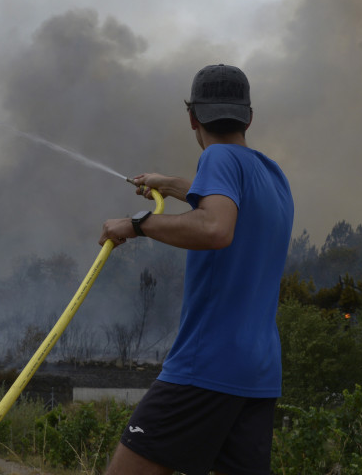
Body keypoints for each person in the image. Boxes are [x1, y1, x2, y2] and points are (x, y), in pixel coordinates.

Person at [99, 63, 294, 475]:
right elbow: (223, 202)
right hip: (258, 374)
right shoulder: (272, 176)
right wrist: (167, 184)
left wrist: (136, 225)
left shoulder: (218, 157)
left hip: (206, 365)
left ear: (192, 117)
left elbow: (215, 226)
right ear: (249, 116)